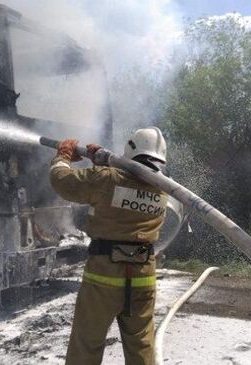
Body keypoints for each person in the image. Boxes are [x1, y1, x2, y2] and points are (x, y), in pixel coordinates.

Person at [49, 127, 169, 365]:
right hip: (143, 277)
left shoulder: (108, 179)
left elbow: (62, 182)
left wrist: (62, 157)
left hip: (103, 276)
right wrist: (105, 162)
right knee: (142, 346)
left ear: (130, 149)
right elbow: (131, 188)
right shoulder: (165, 187)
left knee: (87, 344)